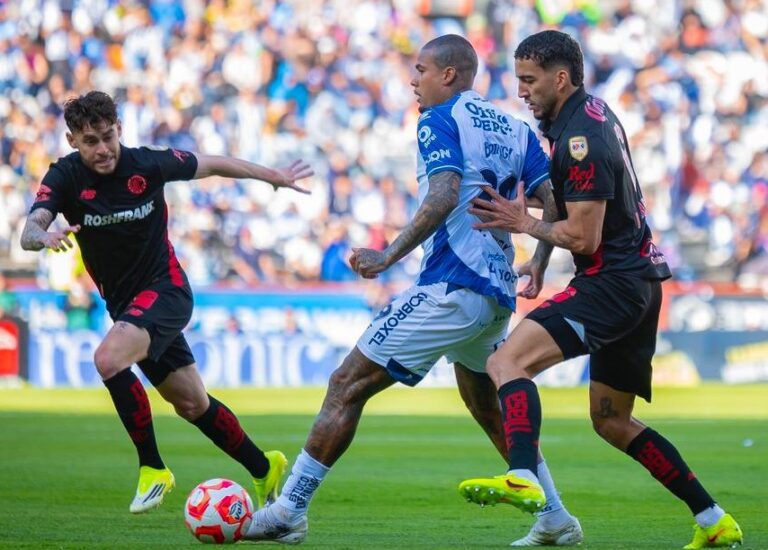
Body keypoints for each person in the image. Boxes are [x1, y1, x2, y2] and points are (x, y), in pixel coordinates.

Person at [244, 34, 582, 546]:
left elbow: (445, 193)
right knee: (485, 403)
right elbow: (553, 203)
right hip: (495, 293)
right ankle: (555, 517)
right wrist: (536, 261)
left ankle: (290, 508)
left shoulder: (438, 119)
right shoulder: (517, 129)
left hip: (453, 285)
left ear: (448, 75)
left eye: (420, 69)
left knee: (346, 383)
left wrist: (388, 255)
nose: (412, 80)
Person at [460, 30, 743, 549]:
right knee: (612, 421)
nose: (521, 91)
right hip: (639, 281)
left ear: (560, 77)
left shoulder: (578, 139)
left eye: (529, 80)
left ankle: (522, 475)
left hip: (612, 282)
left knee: (506, 364)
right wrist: (542, 259)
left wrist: (525, 226)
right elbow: (571, 209)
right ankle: (713, 518)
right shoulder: (591, 114)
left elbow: (582, 234)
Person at [20, 91, 314, 514]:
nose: (102, 149)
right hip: (127, 307)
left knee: (108, 359)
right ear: (72, 141)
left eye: (107, 137)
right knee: (192, 403)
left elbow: (211, 163)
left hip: (167, 290)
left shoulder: (147, 164)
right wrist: (42, 237)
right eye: (90, 141)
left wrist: (271, 176)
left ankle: (153, 468)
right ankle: (263, 465)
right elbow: (30, 227)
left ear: (119, 129)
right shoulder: (64, 178)